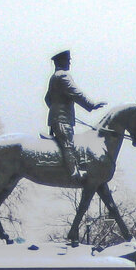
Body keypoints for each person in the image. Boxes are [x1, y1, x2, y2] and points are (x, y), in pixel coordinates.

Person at [45, 50, 105, 182]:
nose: (69, 62)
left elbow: (47, 99)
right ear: (61, 61)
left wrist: (55, 109)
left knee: (67, 143)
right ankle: (74, 174)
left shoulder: (54, 77)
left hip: (58, 117)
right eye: (68, 60)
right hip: (62, 119)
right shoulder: (63, 76)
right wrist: (91, 105)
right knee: (68, 144)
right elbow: (76, 93)